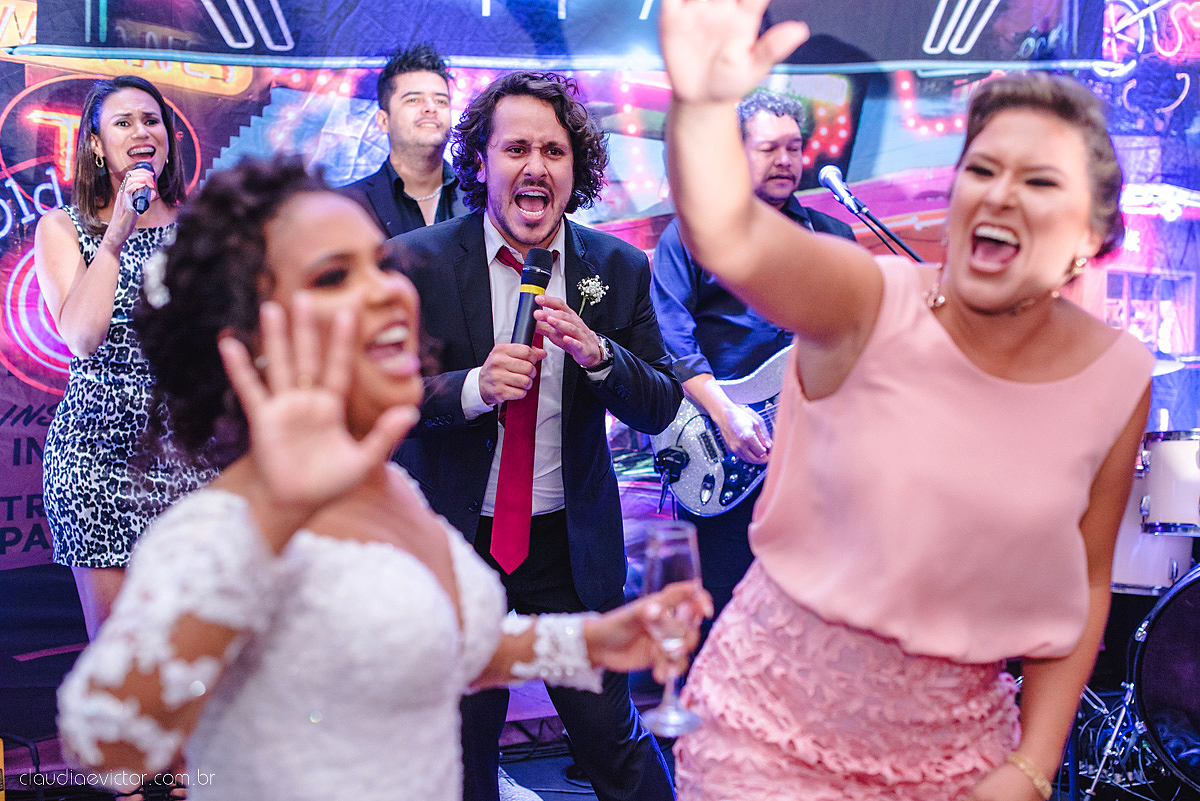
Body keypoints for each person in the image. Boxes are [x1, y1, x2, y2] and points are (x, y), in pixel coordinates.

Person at [54, 156, 709, 801]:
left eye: (379, 263)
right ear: (256, 330)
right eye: (336, 275)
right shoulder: (229, 521)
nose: (389, 289)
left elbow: (444, 644)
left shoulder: (392, 489)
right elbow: (106, 745)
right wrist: (277, 511)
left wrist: (596, 639)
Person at [658, 3, 1154, 800]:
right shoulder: (868, 297)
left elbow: (1085, 582)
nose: (999, 195)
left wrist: (1032, 766)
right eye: (982, 169)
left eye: (1039, 182)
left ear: (1091, 234)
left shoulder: (1117, 374)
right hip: (768, 732)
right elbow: (729, 236)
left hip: (959, 756)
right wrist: (703, 110)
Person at [391, 71, 683, 801]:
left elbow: (661, 402)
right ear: (480, 162)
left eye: (554, 152)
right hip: (454, 547)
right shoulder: (416, 262)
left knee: (612, 745)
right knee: (460, 755)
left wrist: (600, 355)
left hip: (565, 550)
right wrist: (470, 386)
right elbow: (375, 398)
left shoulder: (616, 267)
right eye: (515, 147)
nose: (535, 167)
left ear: (575, 170)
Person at [650, 88, 856, 625]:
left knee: (808, 602)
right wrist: (726, 412)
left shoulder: (834, 237)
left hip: (812, 452)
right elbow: (670, 336)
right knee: (725, 602)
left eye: (794, 147)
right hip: (724, 444)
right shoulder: (694, 234)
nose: (785, 160)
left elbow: (860, 336)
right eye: (769, 148)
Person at [34, 75, 217, 640]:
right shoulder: (64, 228)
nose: (143, 130)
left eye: (152, 120)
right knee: (120, 662)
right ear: (95, 144)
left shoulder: (205, 230)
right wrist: (116, 233)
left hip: (197, 457)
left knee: (197, 657)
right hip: (98, 463)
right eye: (124, 123)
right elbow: (83, 337)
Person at [342, 42, 467, 236]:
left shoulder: (482, 202)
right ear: (383, 120)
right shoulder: (348, 206)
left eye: (441, 101)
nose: (430, 108)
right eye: (413, 100)